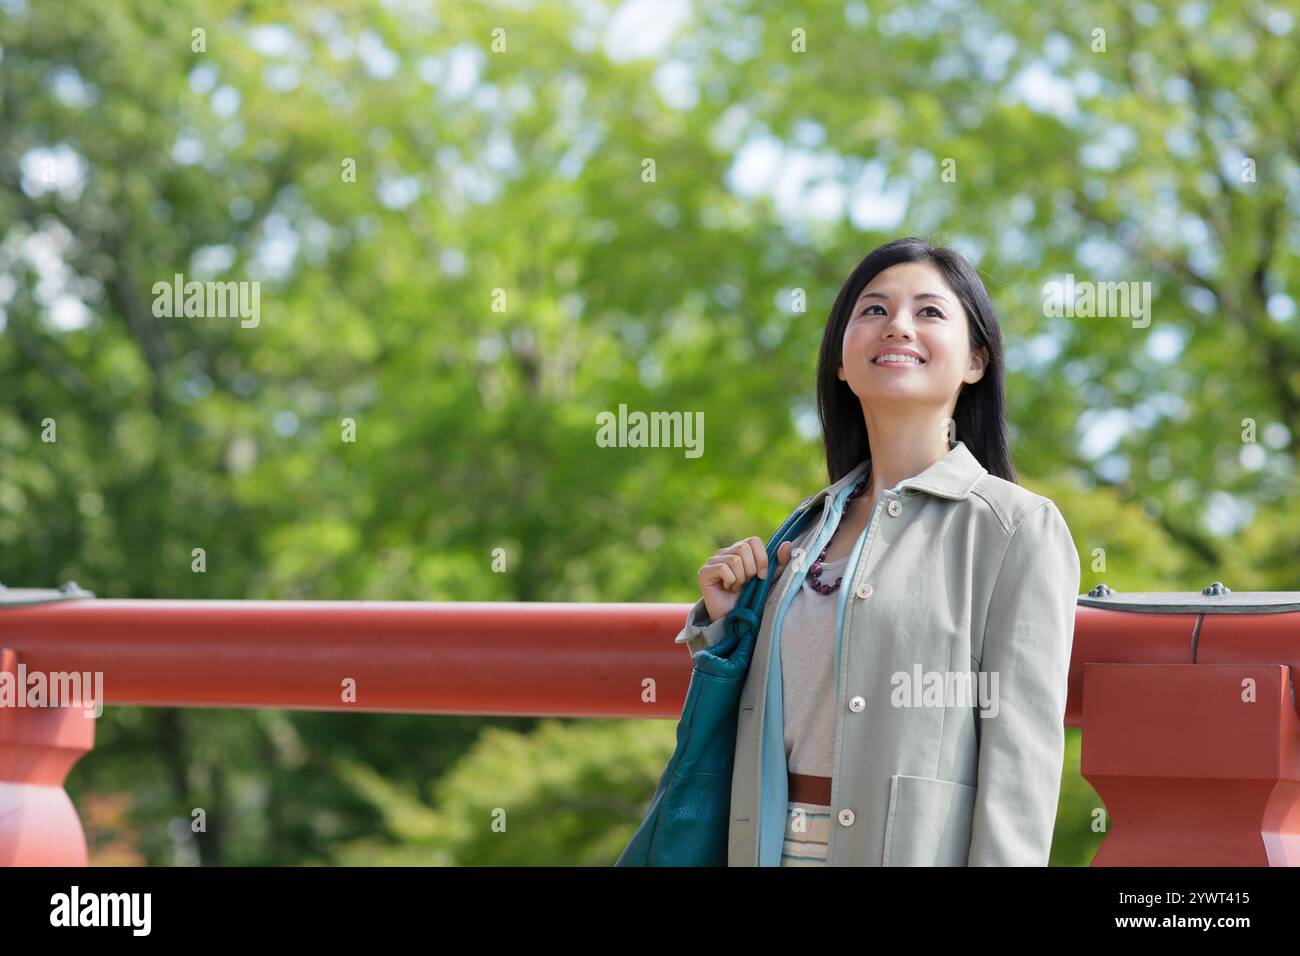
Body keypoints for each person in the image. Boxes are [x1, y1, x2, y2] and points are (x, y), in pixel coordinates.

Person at [677, 236, 1082, 866]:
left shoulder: (1014, 530)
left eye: (928, 312)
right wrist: (732, 618)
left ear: (976, 361)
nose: (897, 326)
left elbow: (1021, 771)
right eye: (872, 310)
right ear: (841, 361)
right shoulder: (803, 534)